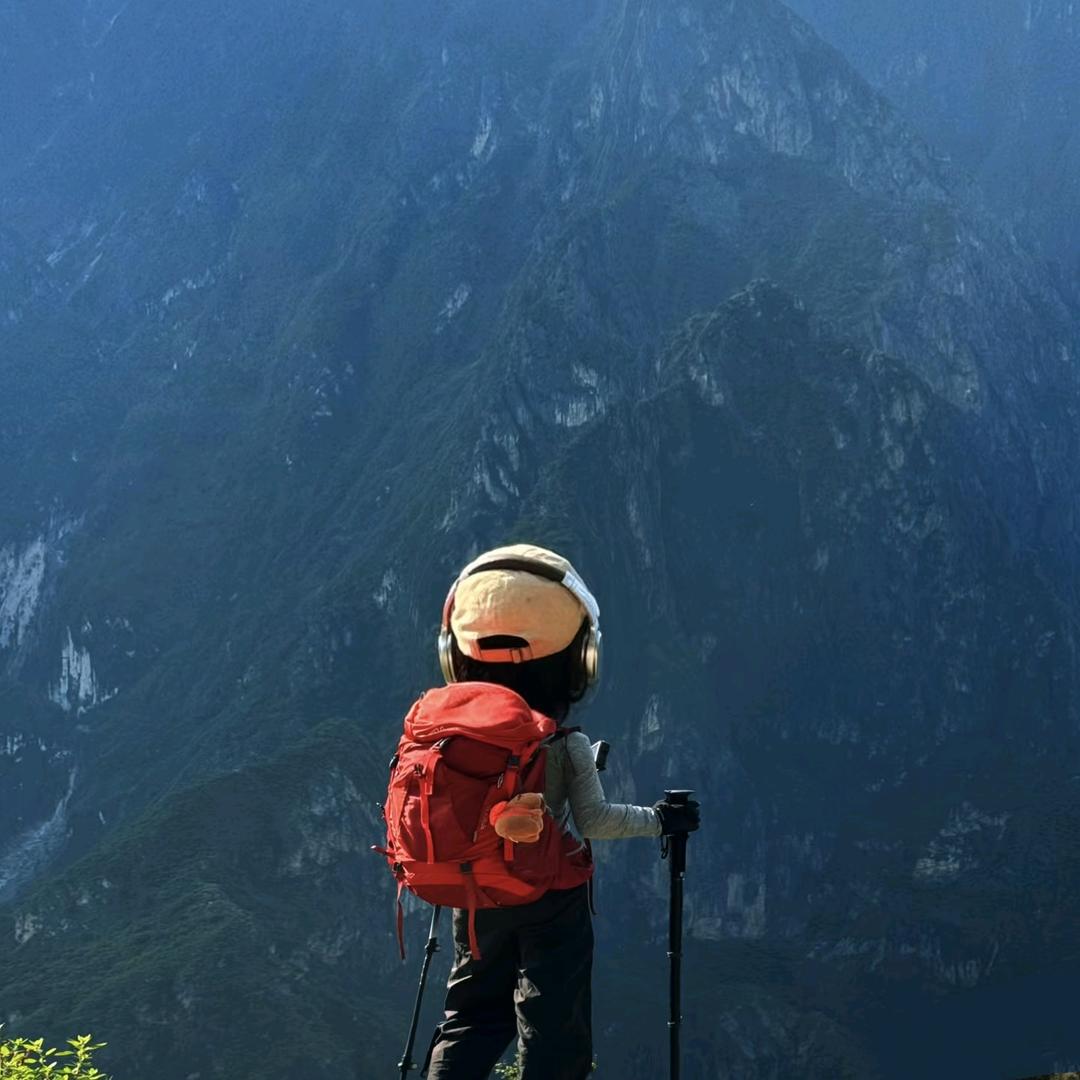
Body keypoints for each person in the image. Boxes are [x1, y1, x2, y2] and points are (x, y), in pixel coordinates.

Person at [422, 543, 701, 1080]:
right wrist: (663, 820)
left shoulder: (451, 739)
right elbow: (594, 821)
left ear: (454, 657)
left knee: (470, 1019)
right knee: (553, 1026)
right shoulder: (563, 743)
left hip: (476, 893)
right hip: (549, 896)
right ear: (579, 662)